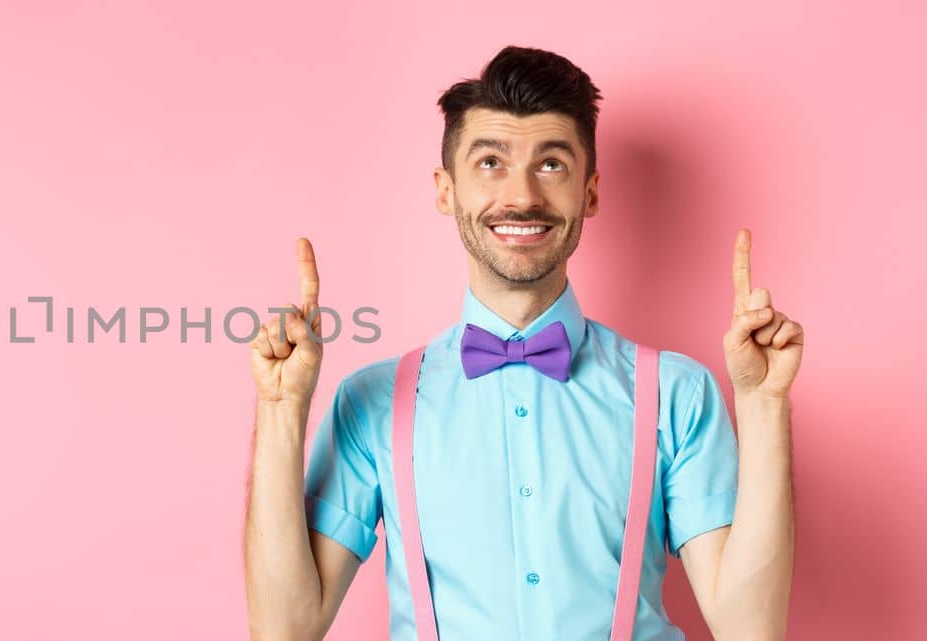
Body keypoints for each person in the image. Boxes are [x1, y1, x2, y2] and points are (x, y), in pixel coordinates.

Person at [242, 46, 799, 641]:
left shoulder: (677, 393)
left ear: (589, 193)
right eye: (490, 162)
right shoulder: (371, 401)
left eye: (552, 164)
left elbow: (749, 628)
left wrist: (764, 406)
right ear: (445, 190)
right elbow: (284, 629)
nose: (523, 196)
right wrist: (280, 410)